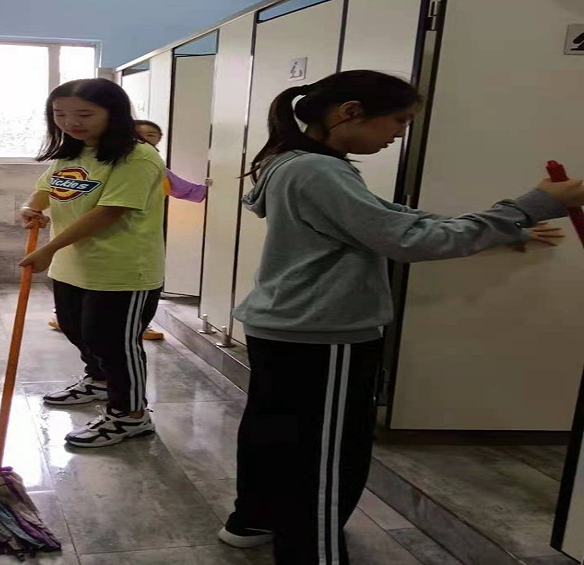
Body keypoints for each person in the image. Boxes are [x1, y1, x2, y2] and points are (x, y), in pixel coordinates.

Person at [220, 70, 579, 564]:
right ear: (350, 112)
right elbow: (406, 238)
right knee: (326, 457)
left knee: (276, 434)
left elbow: (391, 218)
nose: (398, 134)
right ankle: (313, 553)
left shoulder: (293, 161)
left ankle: (253, 519)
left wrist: (510, 223)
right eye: (398, 121)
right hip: (325, 334)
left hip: (287, 327)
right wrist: (530, 206)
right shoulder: (320, 171)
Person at [18, 78, 166, 448]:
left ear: (113, 113)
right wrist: (30, 207)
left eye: (84, 114)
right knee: (76, 330)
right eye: (60, 114)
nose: (71, 122)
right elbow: (47, 187)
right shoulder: (73, 152)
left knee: (115, 344)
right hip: (73, 265)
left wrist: (49, 249)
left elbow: (109, 212)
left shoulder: (138, 157)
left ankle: (131, 415)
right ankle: (99, 381)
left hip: (121, 270)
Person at [45, 118, 209, 340]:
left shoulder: (146, 161)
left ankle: (135, 327)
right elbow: (49, 188)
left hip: (125, 256)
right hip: (78, 254)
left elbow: (186, 190)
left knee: (113, 335)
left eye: (153, 135)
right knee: (83, 324)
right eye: (142, 134)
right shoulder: (85, 157)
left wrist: (221, 189)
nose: (146, 139)